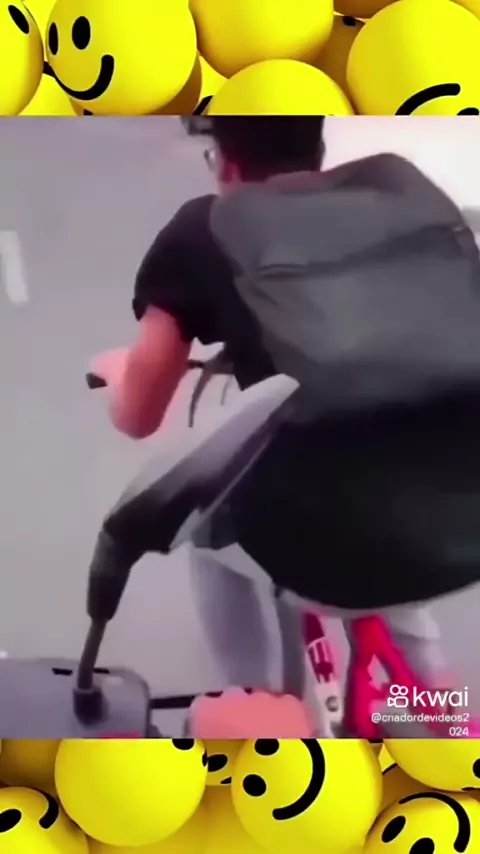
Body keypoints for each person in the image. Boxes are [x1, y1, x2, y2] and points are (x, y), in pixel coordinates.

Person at [93, 117, 467, 732]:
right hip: (459, 521)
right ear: (318, 144)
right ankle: (444, 708)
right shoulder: (403, 191)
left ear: (225, 161)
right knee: (396, 504)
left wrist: (118, 374)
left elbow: (138, 417)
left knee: (209, 533)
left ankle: (263, 705)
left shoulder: (206, 227)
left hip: (323, 549)